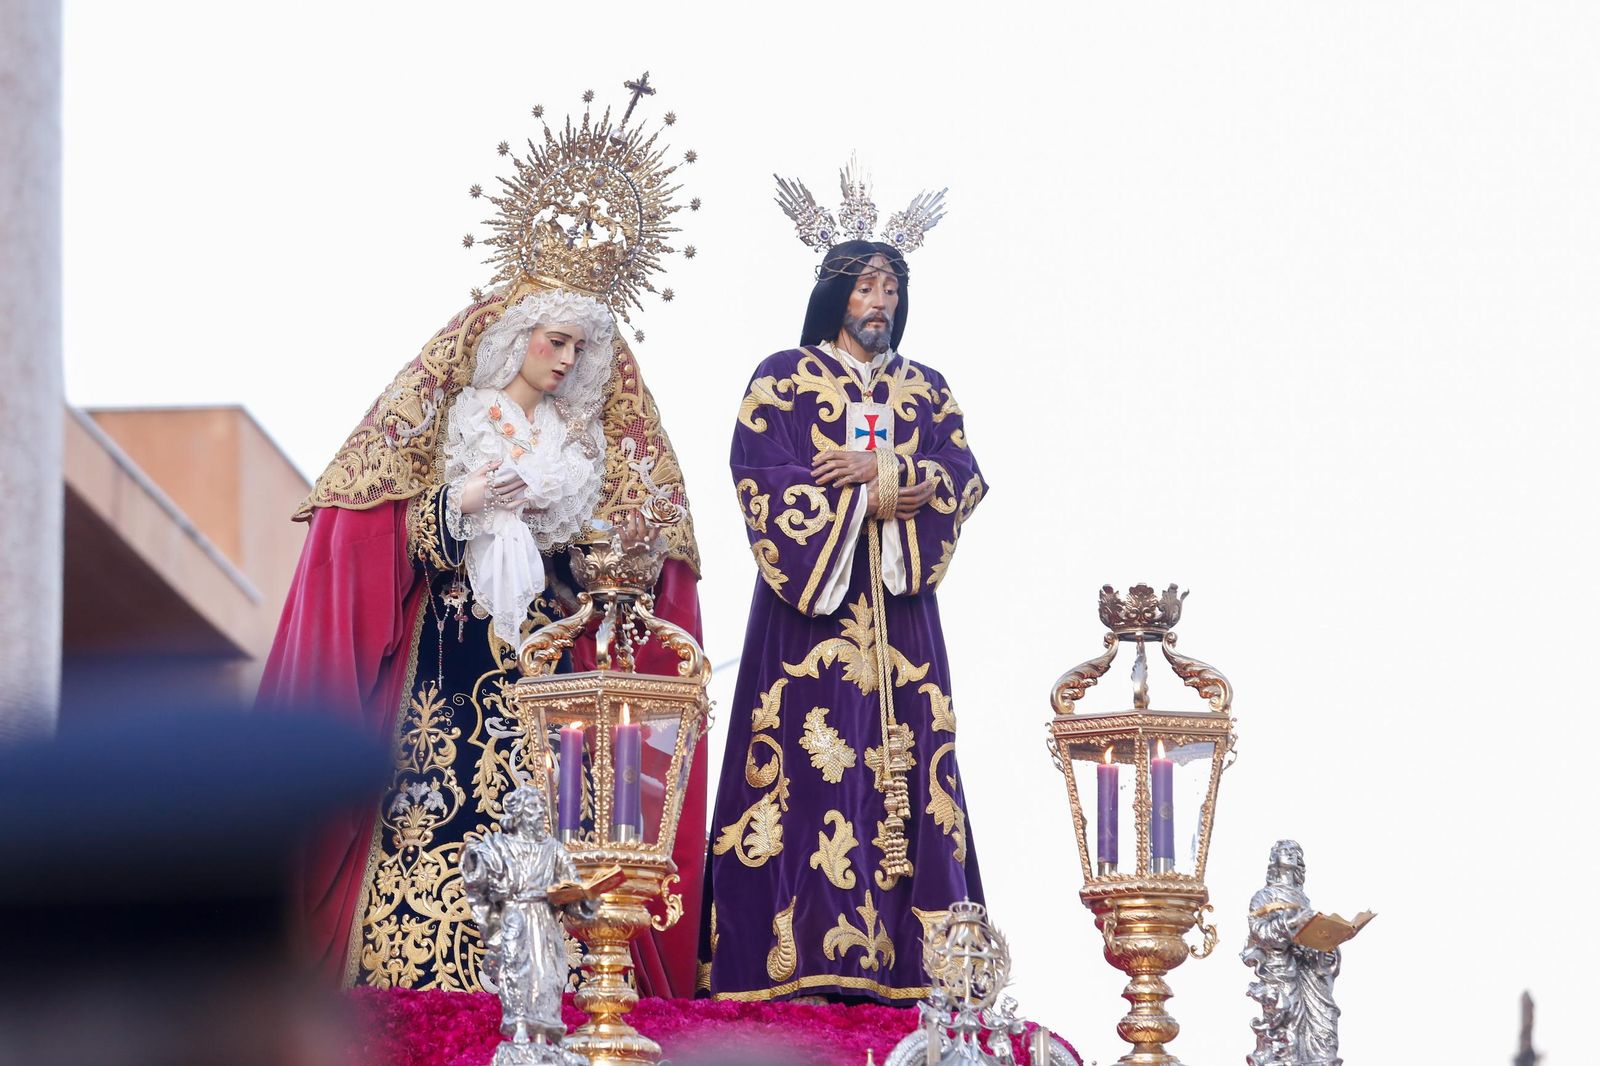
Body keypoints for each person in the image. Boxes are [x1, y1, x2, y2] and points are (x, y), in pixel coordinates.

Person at [257, 86, 705, 998]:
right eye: (555, 339)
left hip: (545, 676)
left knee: (554, 854)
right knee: (428, 833)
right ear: (514, 335)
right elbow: (360, 525)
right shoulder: (448, 415)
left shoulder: (589, 453)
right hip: (446, 664)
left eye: (583, 347)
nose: (568, 359)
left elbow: (636, 571)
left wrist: (598, 554)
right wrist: (454, 504)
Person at [698, 167, 986, 1003]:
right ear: (834, 294)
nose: (880, 300)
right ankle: (787, 969)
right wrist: (867, 491)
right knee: (803, 770)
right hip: (808, 623)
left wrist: (883, 472)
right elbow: (762, 478)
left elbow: (963, 477)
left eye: (892, 286)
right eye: (865, 284)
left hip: (902, 622)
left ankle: (915, 976)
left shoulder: (924, 389)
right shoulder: (782, 378)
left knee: (911, 771)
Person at [462, 786, 596, 1055]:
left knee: (550, 974)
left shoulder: (555, 850)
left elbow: (572, 886)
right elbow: (479, 868)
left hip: (545, 920)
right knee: (517, 971)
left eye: (540, 809)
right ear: (520, 813)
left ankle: (546, 1033)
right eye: (533, 808)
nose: (539, 814)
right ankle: (520, 1027)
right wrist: (474, 859)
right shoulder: (501, 846)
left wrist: (584, 897)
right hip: (516, 918)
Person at [1242, 840, 1342, 1066]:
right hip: (1280, 970)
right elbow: (1260, 932)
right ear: (1274, 860)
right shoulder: (1263, 897)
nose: (1289, 854)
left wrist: (1325, 951)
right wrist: (1291, 923)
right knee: (1287, 1026)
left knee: (1323, 1021)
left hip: (1307, 972)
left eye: (1294, 852)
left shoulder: (1302, 898)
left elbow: (1307, 938)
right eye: (1283, 851)